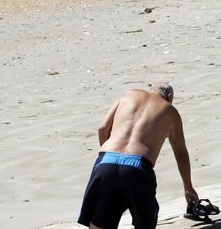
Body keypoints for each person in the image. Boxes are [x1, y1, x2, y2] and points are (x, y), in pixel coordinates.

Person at [78, 82, 198, 229]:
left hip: (106, 162)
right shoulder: (170, 111)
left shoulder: (128, 94)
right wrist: (188, 187)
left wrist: (110, 158)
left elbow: (102, 129)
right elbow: (181, 153)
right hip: (137, 168)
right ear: (170, 97)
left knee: (99, 224)